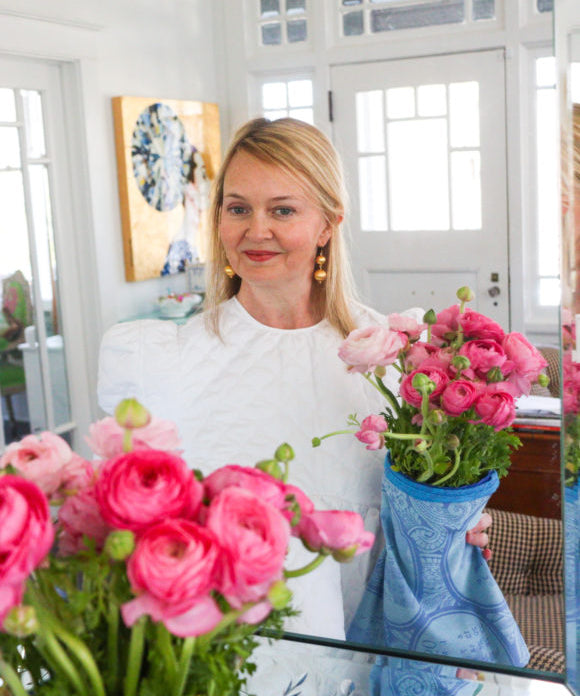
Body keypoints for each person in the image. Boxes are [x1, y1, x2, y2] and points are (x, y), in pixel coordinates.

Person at [98, 118, 490, 687]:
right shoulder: (154, 359)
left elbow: (415, 511)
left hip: (369, 652)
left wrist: (453, 529)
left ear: (329, 223)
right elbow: (128, 528)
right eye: (237, 209)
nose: (256, 231)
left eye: (282, 210)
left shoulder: (393, 359)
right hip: (216, 665)